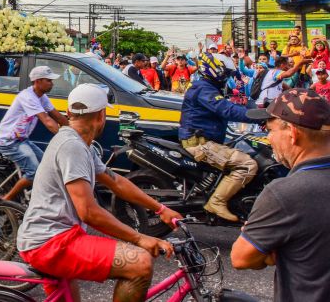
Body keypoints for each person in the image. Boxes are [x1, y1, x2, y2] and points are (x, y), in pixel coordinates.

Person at [18, 84, 180, 302]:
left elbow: (117, 182)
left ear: (69, 113)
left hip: (55, 238)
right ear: (100, 116)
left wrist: (160, 208)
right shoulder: (72, 147)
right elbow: (89, 212)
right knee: (139, 262)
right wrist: (140, 239)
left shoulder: (78, 143)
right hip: (52, 242)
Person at [231, 89, 330, 302]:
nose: (269, 137)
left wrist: (270, 250)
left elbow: (241, 258)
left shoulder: (284, 193)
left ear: (293, 133)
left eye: (270, 129)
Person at [179, 53, 261, 222]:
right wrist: (259, 116)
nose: (227, 77)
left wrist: (259, 108)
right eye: (226, 73)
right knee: (247, 165)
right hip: (200, 144)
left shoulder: (207, 86)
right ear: (215, 69)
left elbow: (231, 105)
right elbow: (226, 109)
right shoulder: (203, 88)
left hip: (206, 140)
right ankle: (217, 202)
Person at [0, 66, 69, 202]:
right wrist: (66, 137)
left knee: (47, 165)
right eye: (49, 80)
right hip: (8, 142)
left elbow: (57, 116)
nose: (52, 83)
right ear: (38, 81)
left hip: (21, 140)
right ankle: (8, 198)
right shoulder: (27, 97)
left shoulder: (42, 96)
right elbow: (47, 120)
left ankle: (41, 197)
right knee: (34, 172)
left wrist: (74, 132)